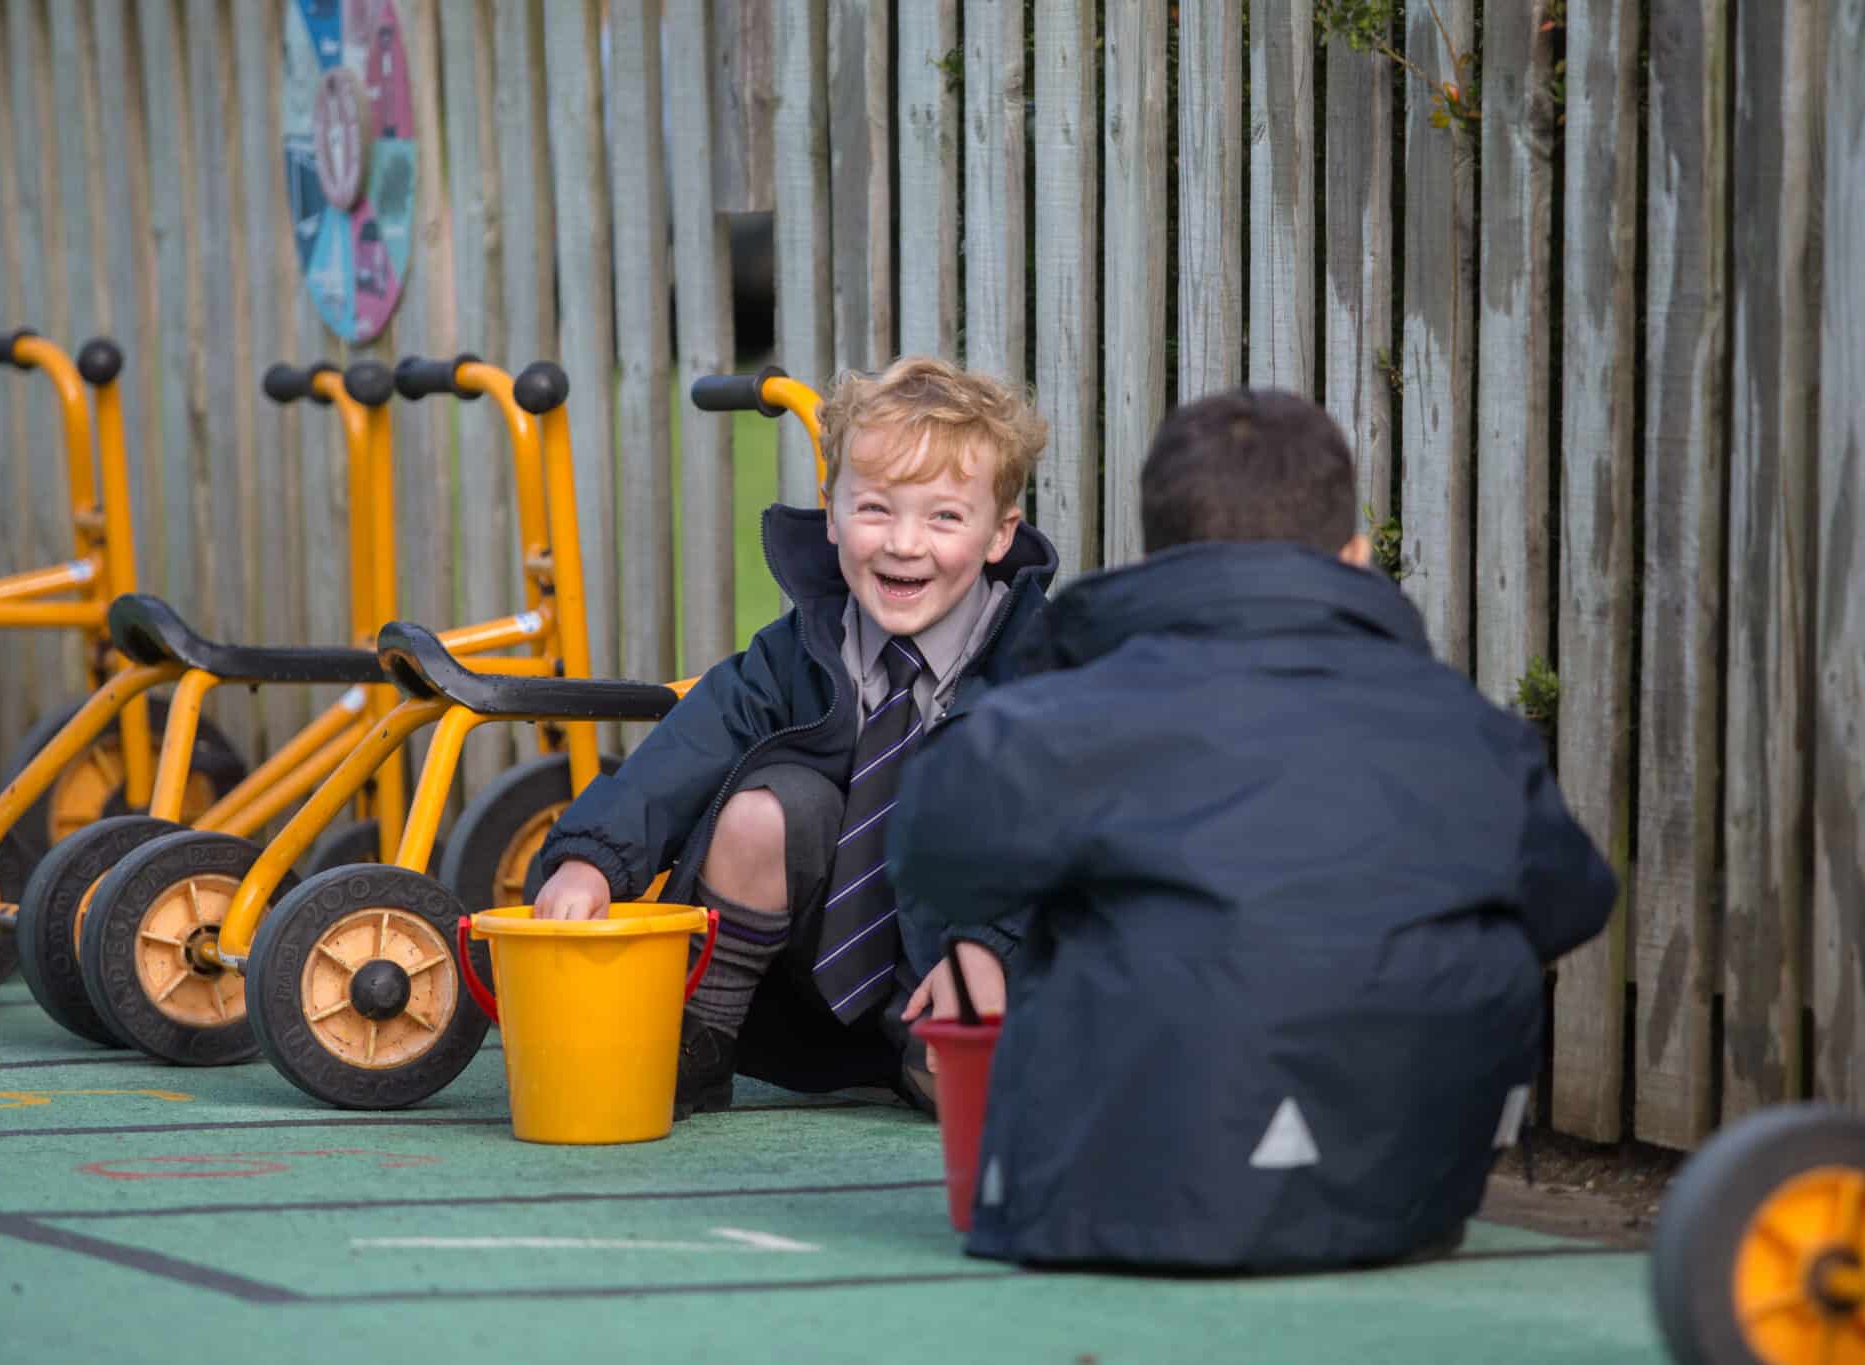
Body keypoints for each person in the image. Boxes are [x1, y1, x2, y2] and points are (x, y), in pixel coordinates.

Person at [885, 388, 1618, 1271]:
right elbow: (1573, 899)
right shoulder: (1472, 728)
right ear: (1353, 560)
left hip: (1118, 1212)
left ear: (1158, 560)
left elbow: (931, 851)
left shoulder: (1074, 715)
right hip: (1410, 1204)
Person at [530, 356, 1057, 1117]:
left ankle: (942, 1055)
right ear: (832, 512)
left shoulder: (1035, 672)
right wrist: (591, 859)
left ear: (1000, 531)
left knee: (977, 1093)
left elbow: (1056, 837)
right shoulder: (798, 650)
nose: (905, 543)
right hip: (799, 989)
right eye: (876, 508)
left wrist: (989, 946)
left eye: (944, 516)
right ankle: (701, 1037)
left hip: (957, 964)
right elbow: (686, 751)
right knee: (766, 806)